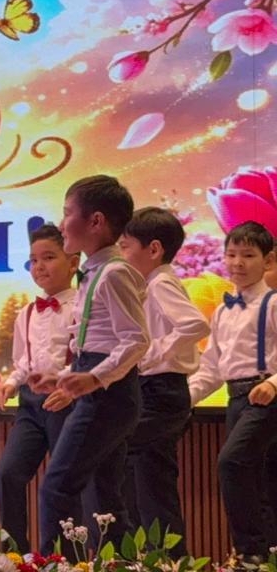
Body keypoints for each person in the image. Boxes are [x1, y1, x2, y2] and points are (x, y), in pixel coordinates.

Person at [35, 176, 148, 555]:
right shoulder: (96, 272)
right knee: (104, 495)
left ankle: (57, 563)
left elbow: (136, 340)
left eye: (67, 213)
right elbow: (97, 344)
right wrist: (64, 376)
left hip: (110, 395)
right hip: (105, 389)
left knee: (57, 487)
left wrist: (95, 378)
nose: (61, 222)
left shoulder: (114, 272)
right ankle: (121, 561)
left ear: (96, 221)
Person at [117, 207, 210, 557]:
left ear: (153, 249)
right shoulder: (153, 283)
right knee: (154, 483)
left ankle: (144, 555)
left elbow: (196, 324)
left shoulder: (160, 282)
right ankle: (164, 558)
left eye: (126, 247)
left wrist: (151, 354)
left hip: (161, 391)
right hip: (158, 391)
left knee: (117, 456)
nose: (121, 255)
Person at [188, 221, 277, 561]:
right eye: (231, 254)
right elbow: (211, 367)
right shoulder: (223, 312)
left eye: (248, 255)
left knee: (232, 463)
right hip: (236, 400)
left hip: (267, 397)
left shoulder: (273, 304)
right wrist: (185, 398)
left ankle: (250, 555)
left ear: (267, 261)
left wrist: (272, 383)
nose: (238, 262)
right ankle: (268, 556)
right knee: (261, 481)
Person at [0, 223, 77, 551]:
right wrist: (11, 383)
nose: (39, 266)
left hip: (67, 402)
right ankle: (15, 555)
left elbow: (88, 359)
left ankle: (63, 558)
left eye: (49, 257)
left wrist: (67, 382)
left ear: (73, 262)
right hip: (30, 405)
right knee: (7, 476)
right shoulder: (27, 312)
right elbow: (23, 363)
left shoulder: (82, 306)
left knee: (60, 484)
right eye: (34, 260)